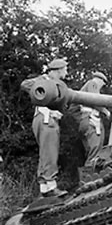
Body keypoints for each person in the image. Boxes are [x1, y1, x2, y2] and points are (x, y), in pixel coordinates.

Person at [21, 59, 69, 197]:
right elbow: (25, 84)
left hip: (43, 119)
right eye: (65, 69)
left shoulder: (59, 85)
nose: (66, 72)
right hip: (46, 119)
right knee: (50, 152)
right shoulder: (46, 80)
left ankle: (44, 188)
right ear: (58, 70)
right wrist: (42, 84)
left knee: (45, 153)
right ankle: (51, 185)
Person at [71, 72, 110, 167]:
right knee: (95, 148)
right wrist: (105, 111)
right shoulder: (92, 84)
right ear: (100, 80)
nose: (102, 86)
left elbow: (72, 109)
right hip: (90, 120)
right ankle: (89, 172)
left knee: (94, 149)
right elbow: (94, 100)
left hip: (87, 120)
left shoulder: (86, 88)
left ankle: (90, 170)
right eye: (103, 83)